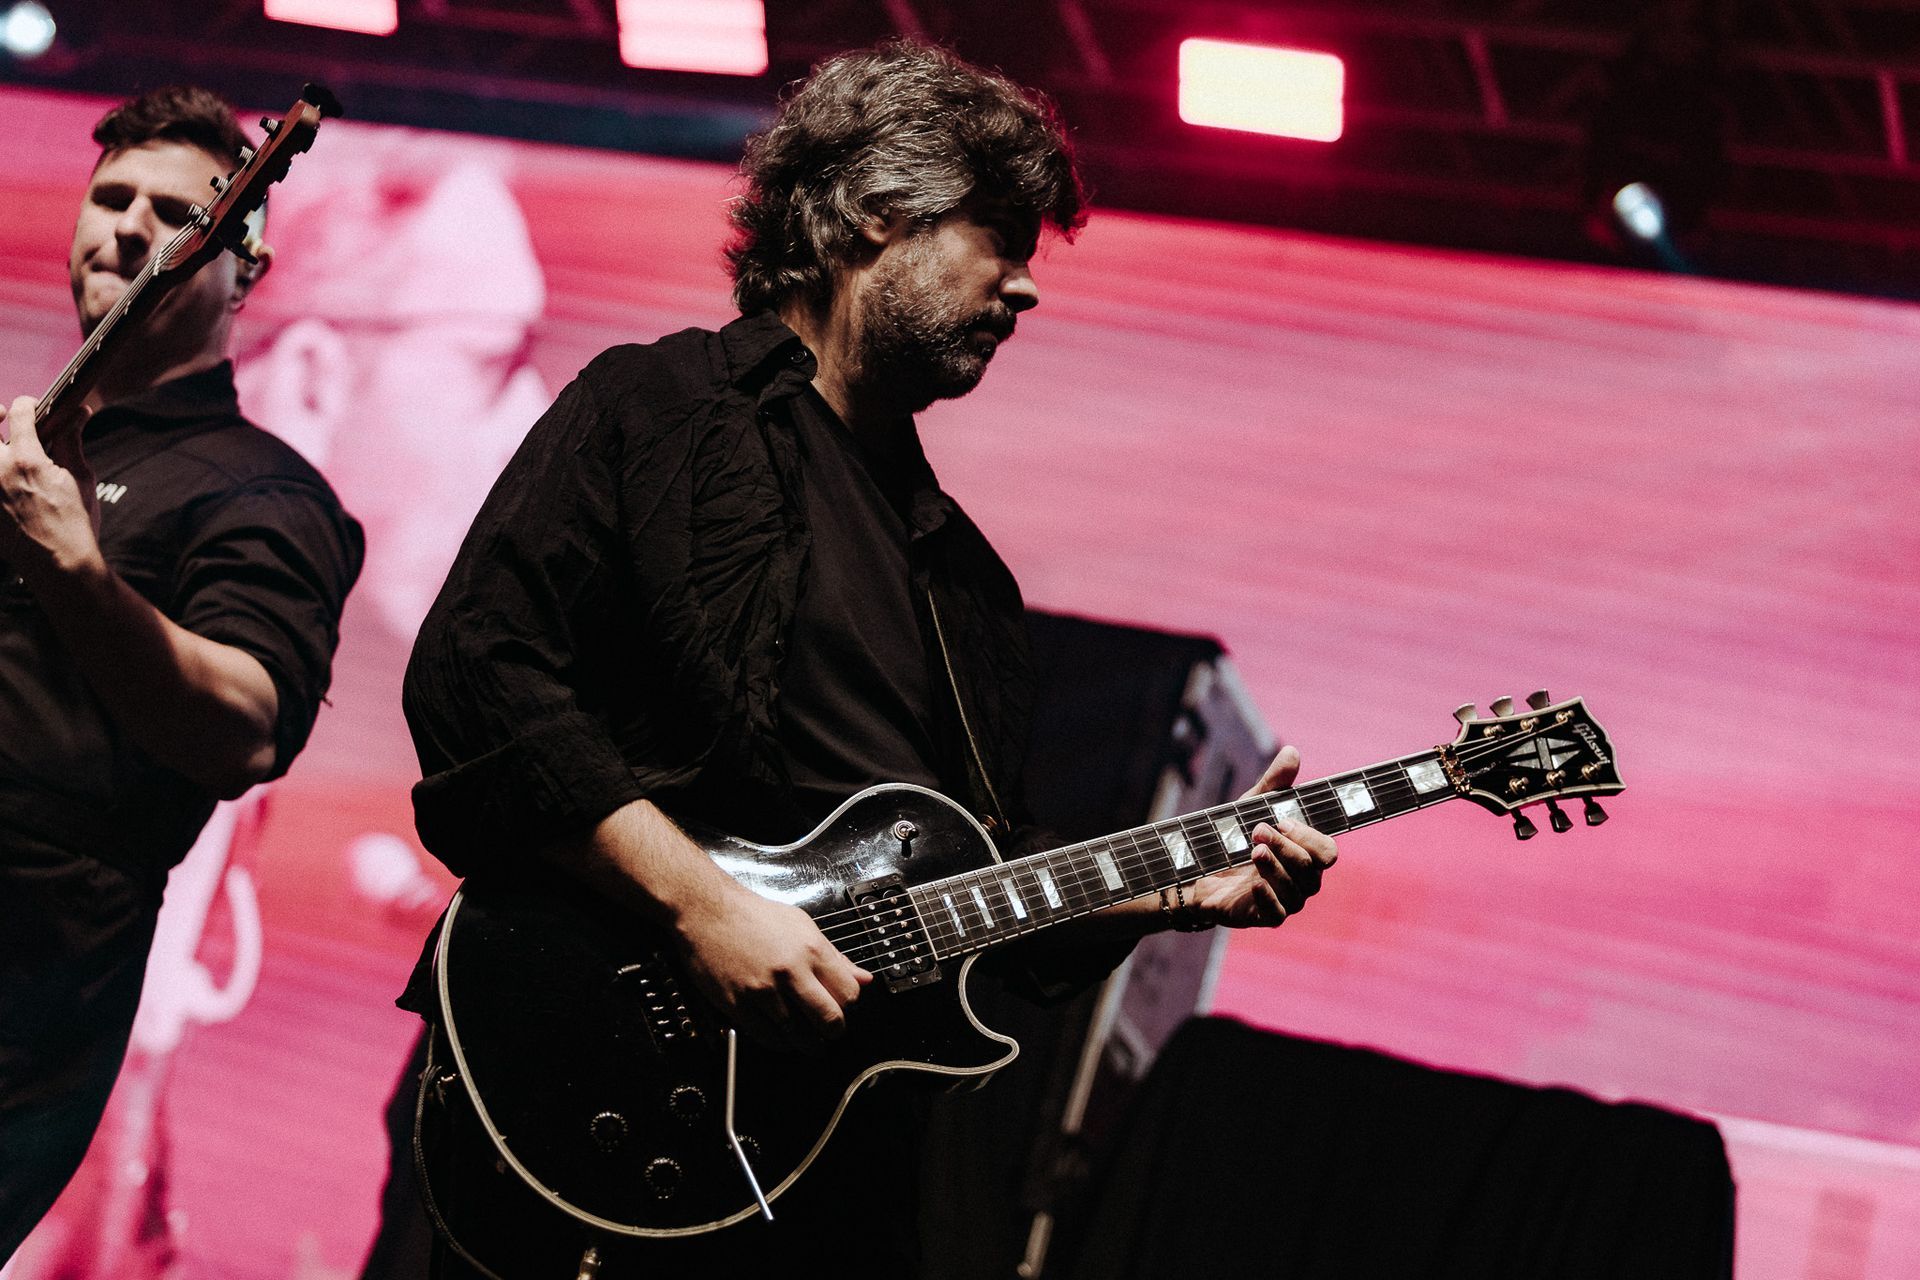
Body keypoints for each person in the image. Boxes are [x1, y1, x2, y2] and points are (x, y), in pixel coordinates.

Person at [400, 40, 1337, 1278]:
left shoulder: (962, 577)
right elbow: (477, 677)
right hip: (599, 1079)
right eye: (999, 235)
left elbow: (987, 897)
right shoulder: (662, 407)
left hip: (827, 1159)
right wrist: (704, 904)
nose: (1025, 288)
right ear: (873, 217)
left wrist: (1177, 892)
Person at [0, 86, 364, 1259]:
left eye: (173, 211)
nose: (128, 226)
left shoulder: (265, 494)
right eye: (110, 197)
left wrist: (71, 560)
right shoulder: (32, 444)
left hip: (30, 992)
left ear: (241, 267)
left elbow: (248, 727)